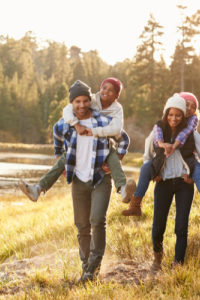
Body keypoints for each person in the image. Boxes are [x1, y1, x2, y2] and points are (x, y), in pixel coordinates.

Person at [18, 78, 136, 204]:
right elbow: (67, 110)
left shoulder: (116, 110)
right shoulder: (90, 100)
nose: (106, 91)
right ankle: (37, 189)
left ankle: (123, 189)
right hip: (79, 145)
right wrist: (76, 125)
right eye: (104, 87)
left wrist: (117, 159)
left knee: (113, 156)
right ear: (100, 88)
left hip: (105, 144)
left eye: (111, 90)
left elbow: (119, 131)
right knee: (65, 158)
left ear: (117, 96)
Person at [143, 94, 200, 269]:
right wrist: (154, 174)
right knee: (158, 225)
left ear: (183, 115)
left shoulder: (191, 134)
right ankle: (157, 259)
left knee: (181, 226)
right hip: (164, 183)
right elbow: (147, 157)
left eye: (179, 114)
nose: (174, 118)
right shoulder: (158, 132)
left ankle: (178, 263)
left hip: (184, 184)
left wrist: (191, 174)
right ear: (167, 113)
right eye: (171, 114)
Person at [122, 92, 199, 217]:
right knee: (145, 167)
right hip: (165, 169)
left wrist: (188, 169)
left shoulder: (191, 126)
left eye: (193, 107)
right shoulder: (162, 125)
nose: (190, 109)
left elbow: (186, 134)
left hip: (186, 167)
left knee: (197, 170)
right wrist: (154, 170)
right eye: (187, 105)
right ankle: (136, 202)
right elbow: (151, 143)